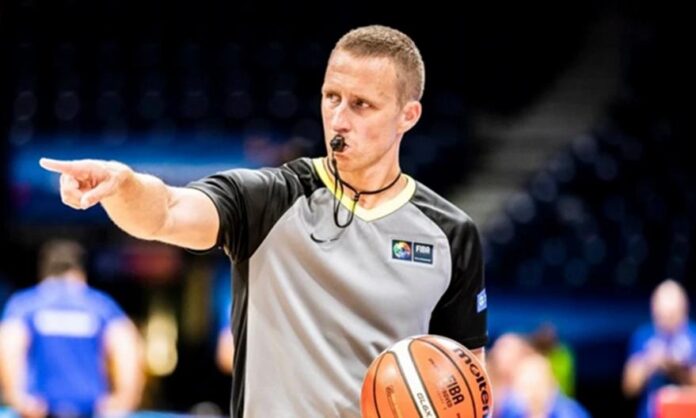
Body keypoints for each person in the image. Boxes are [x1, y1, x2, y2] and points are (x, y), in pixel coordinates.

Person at [38, 25, 487, 417]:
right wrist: (124, 186)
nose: (339, 119)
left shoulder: (451, 234)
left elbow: (468, 382)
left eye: (361, 105)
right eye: (331, 97)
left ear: (408, 115)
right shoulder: (269, 200)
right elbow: (168, 211)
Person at [0, 239, 144, 418]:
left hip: (38, 408)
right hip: (90, 410)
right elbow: (128, 350)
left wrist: (18, 398)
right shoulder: (101, 306)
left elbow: (9, 348)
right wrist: (124, 399)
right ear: (81, 271)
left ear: (44, 270)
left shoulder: (25, 304)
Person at [622, 279, 696, 418]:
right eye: (662, 314)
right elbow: (629, 387)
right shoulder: (643, 336)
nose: (666, 320)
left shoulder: (693, 335)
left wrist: (677, 367)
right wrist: (650, 361)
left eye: (672, 314)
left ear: (684, 309)